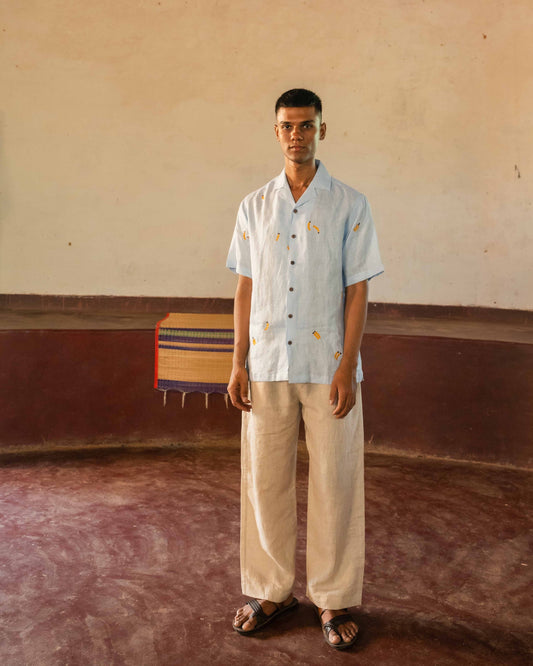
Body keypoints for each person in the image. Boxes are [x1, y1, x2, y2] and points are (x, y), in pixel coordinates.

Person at [226, 88, 383, 650]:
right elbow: (244, 287)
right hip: (266, 363)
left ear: (322, 129)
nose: (297, 134)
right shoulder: (254, 206)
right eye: (288, 126)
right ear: (275, 132)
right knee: (264, 480)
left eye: (307, 125)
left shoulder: (350, 205)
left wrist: (346, 367)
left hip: (327, 367)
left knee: (336, 482)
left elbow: (358, 291)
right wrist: (238, 361)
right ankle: (270, 590)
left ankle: (333, 597)